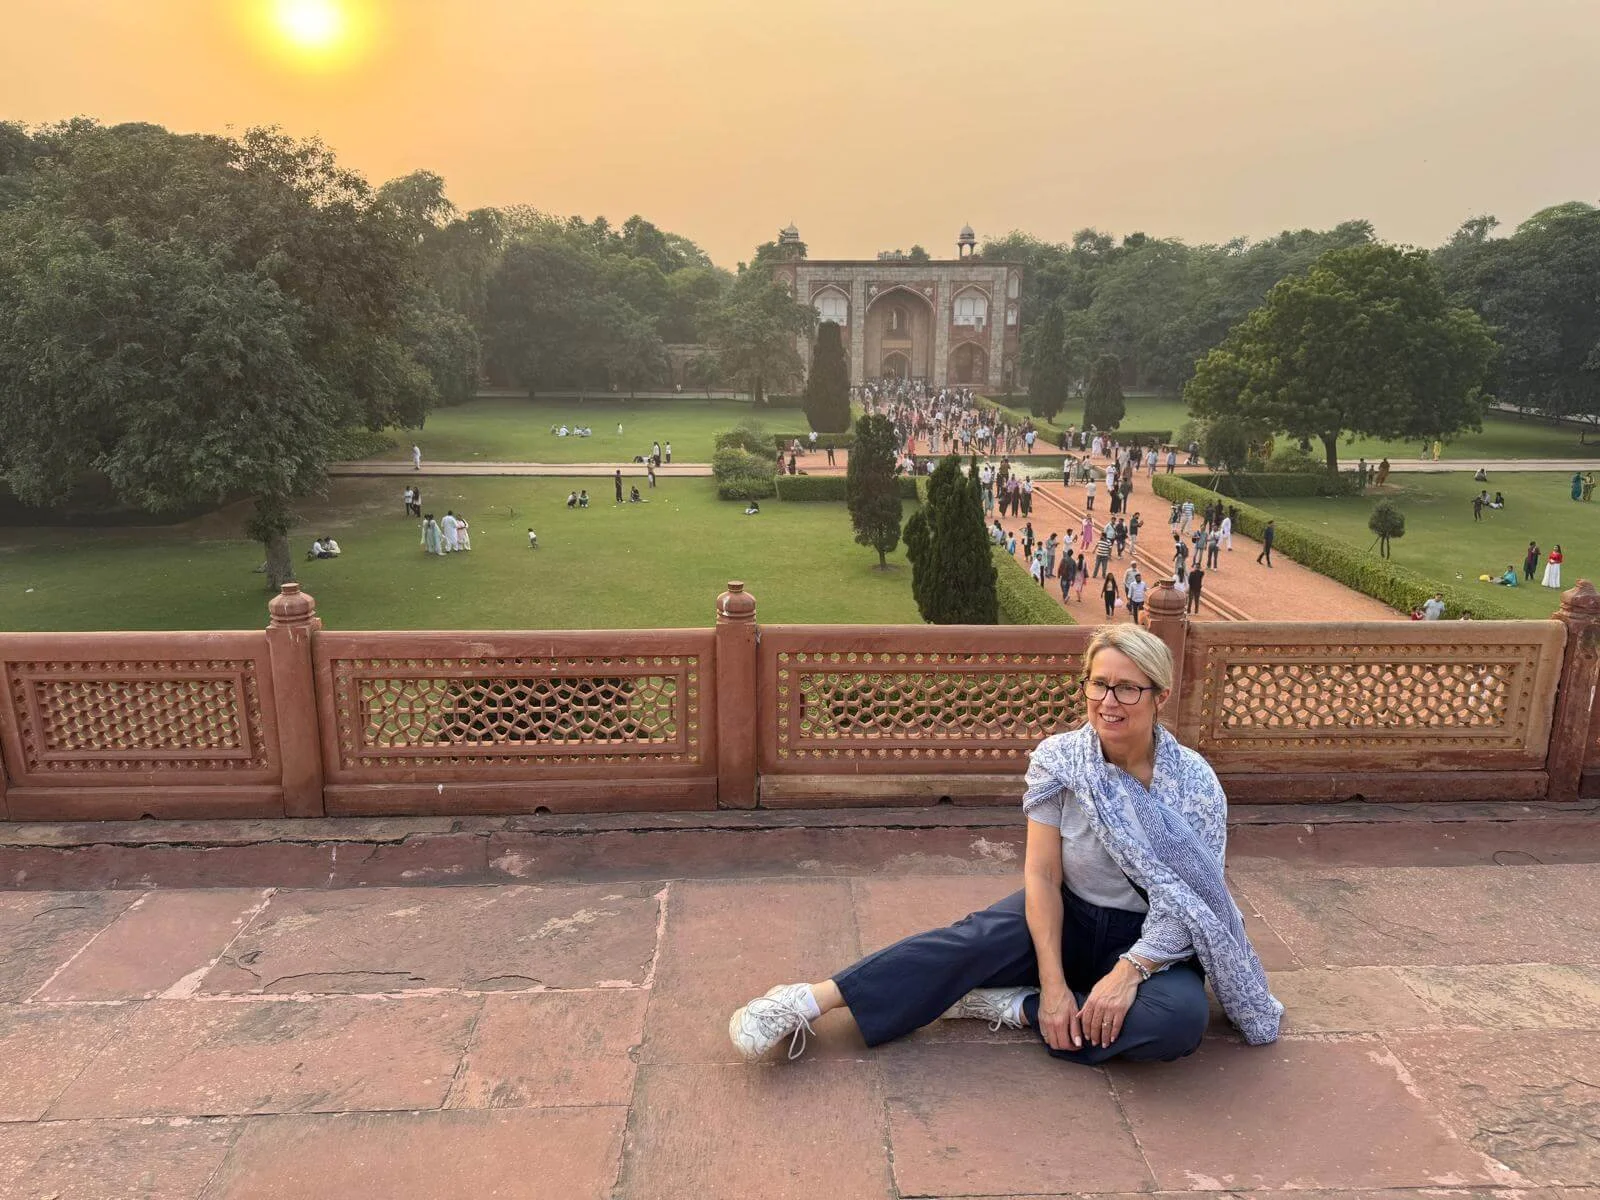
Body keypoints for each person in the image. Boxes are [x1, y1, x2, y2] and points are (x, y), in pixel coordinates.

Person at [726, 625, 1281, 1066]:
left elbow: (1197, 900)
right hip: (1072, 916)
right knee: (966, 943)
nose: (1109, 701)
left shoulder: (1195, 783)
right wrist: (1055, 981)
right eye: (1098, 683)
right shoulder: (1061, 762)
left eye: (1128, 688)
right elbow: (1041, 878)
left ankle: (1014, 1007)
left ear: (1158, 696)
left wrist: (1128, 971)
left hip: (1154, 937)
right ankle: (806, 1000)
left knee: (1179, 1022)